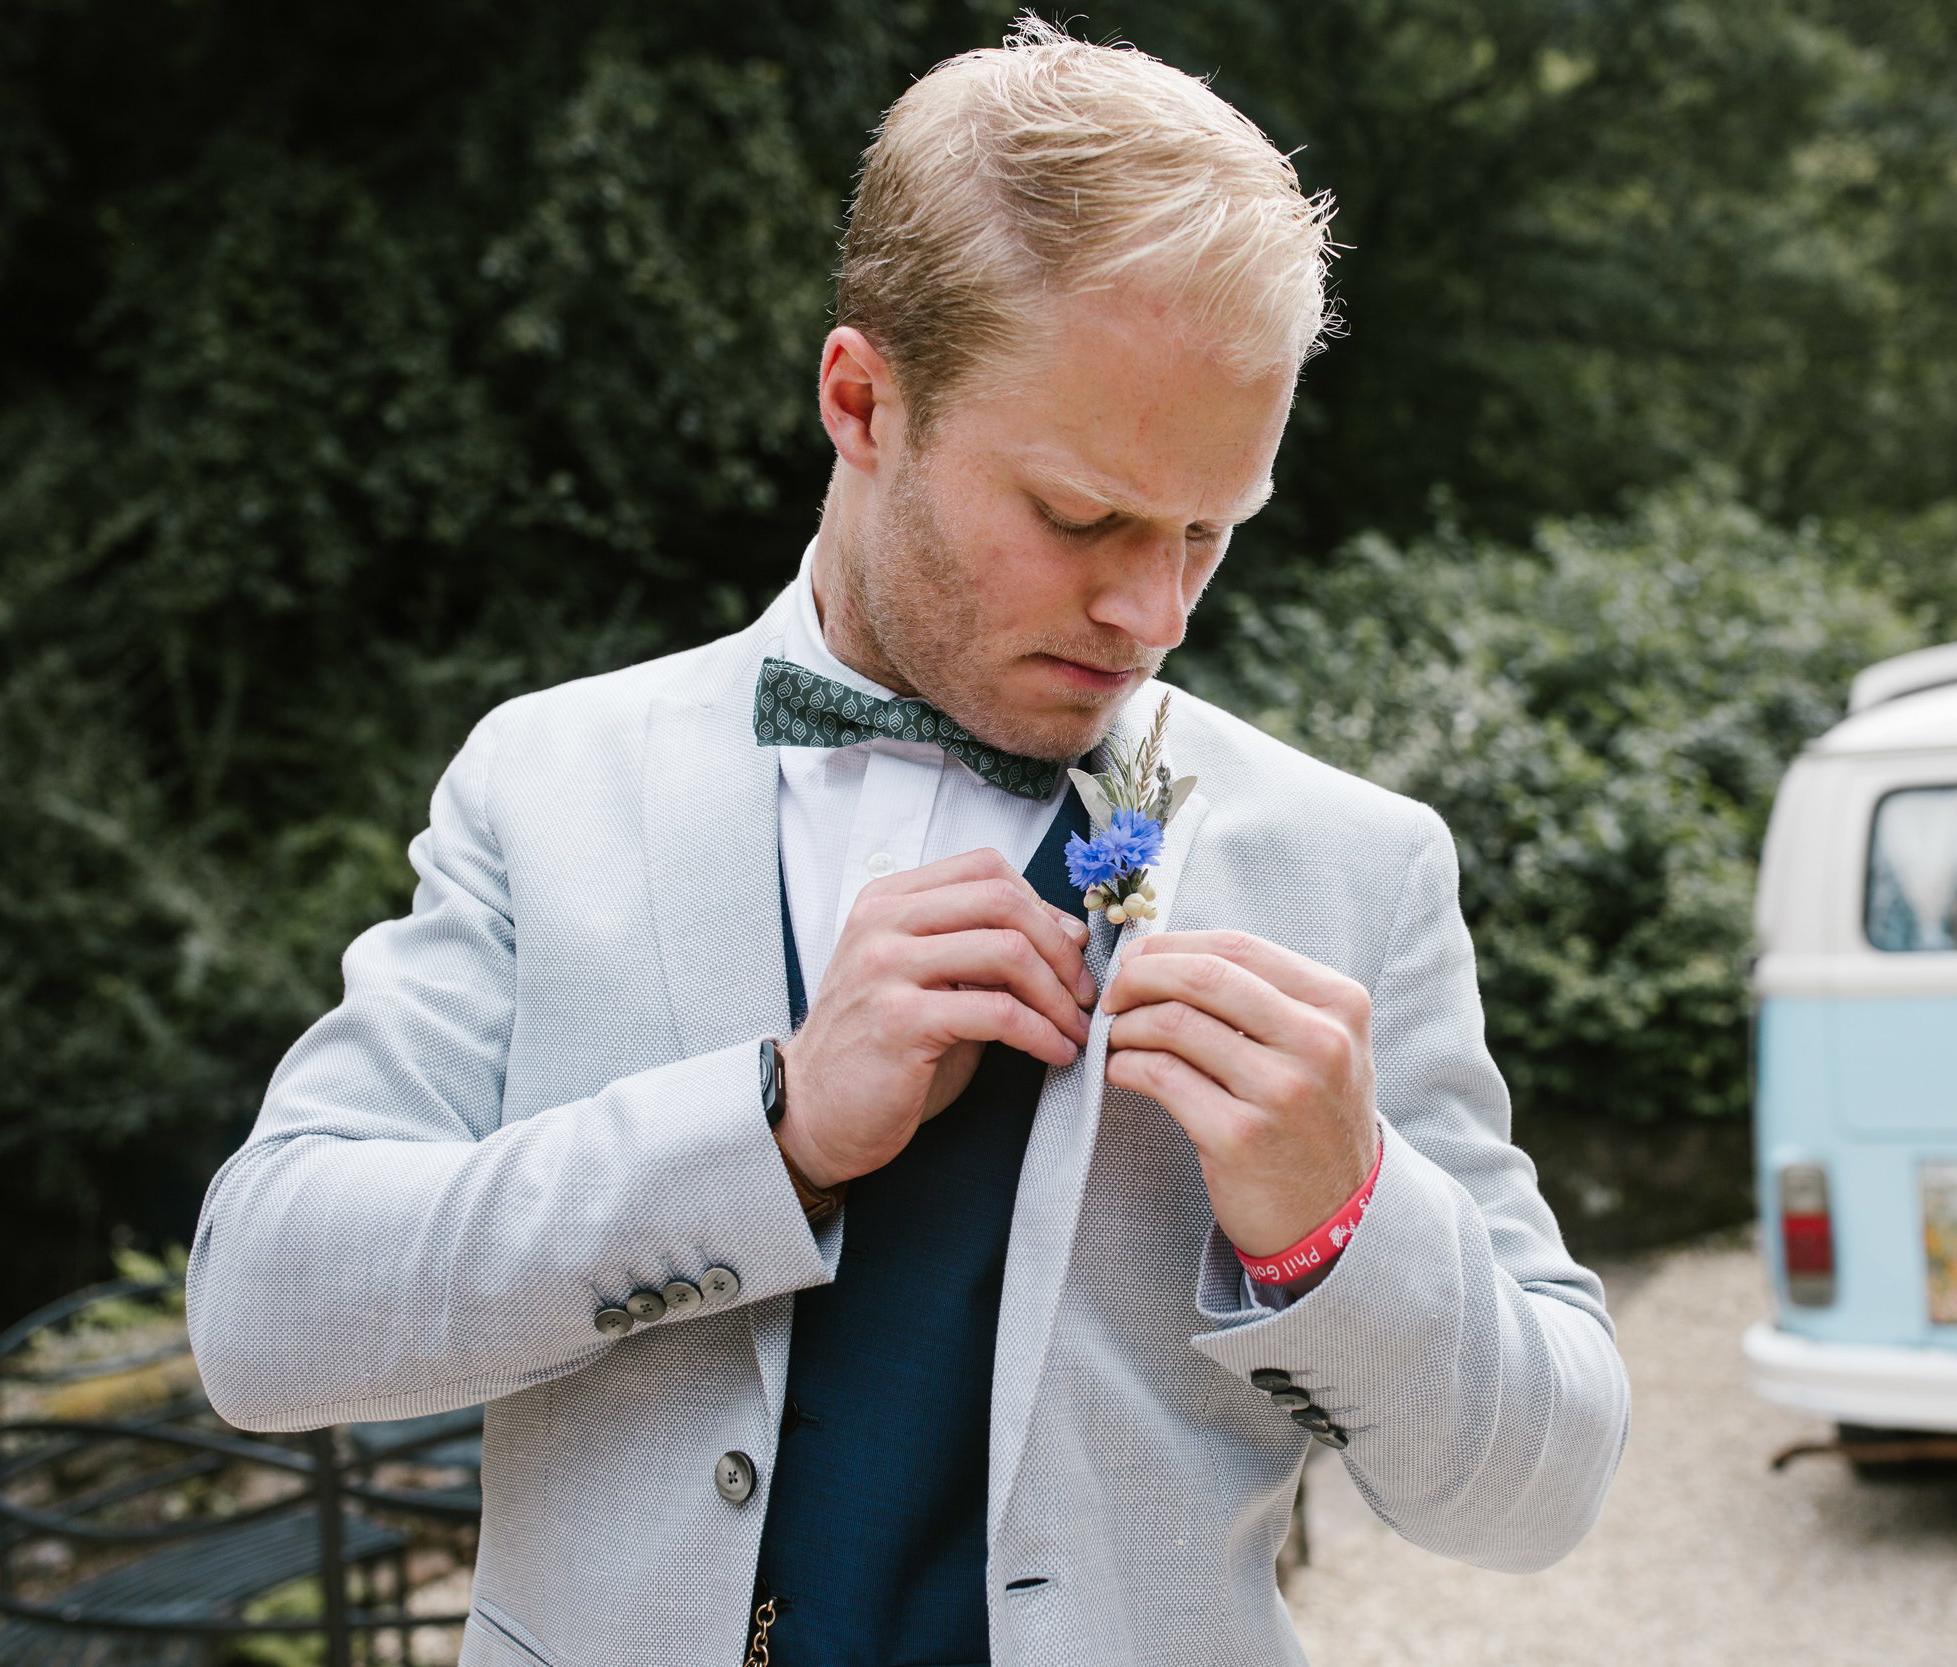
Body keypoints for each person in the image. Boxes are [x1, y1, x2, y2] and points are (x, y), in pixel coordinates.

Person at [185, 20, 1627, 1666]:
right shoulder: (551, 780)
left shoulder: (1356, 865)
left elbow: (1544, 1491)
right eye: (1083, 517)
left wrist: (1342, 1219)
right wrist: (769, 1132)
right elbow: (263, 1314)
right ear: (863, 401)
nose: (1152, 613)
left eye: (1210, 532)